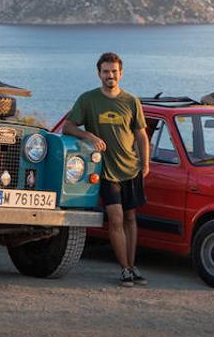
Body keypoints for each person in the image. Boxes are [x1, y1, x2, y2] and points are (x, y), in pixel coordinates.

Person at [63, 52, 150, 287]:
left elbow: (141, 135)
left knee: (131, 219)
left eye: (114, 71)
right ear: (99, 73)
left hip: (131, 169)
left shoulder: (131, 101)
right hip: (106, 171)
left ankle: (132, 267)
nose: (110, 75)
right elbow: (68, 126)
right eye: (105, 71)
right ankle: (123, 269)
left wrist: (146, 163)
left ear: (120, 73)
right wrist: (88, 135)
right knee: (116, 219)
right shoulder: (88, 99)